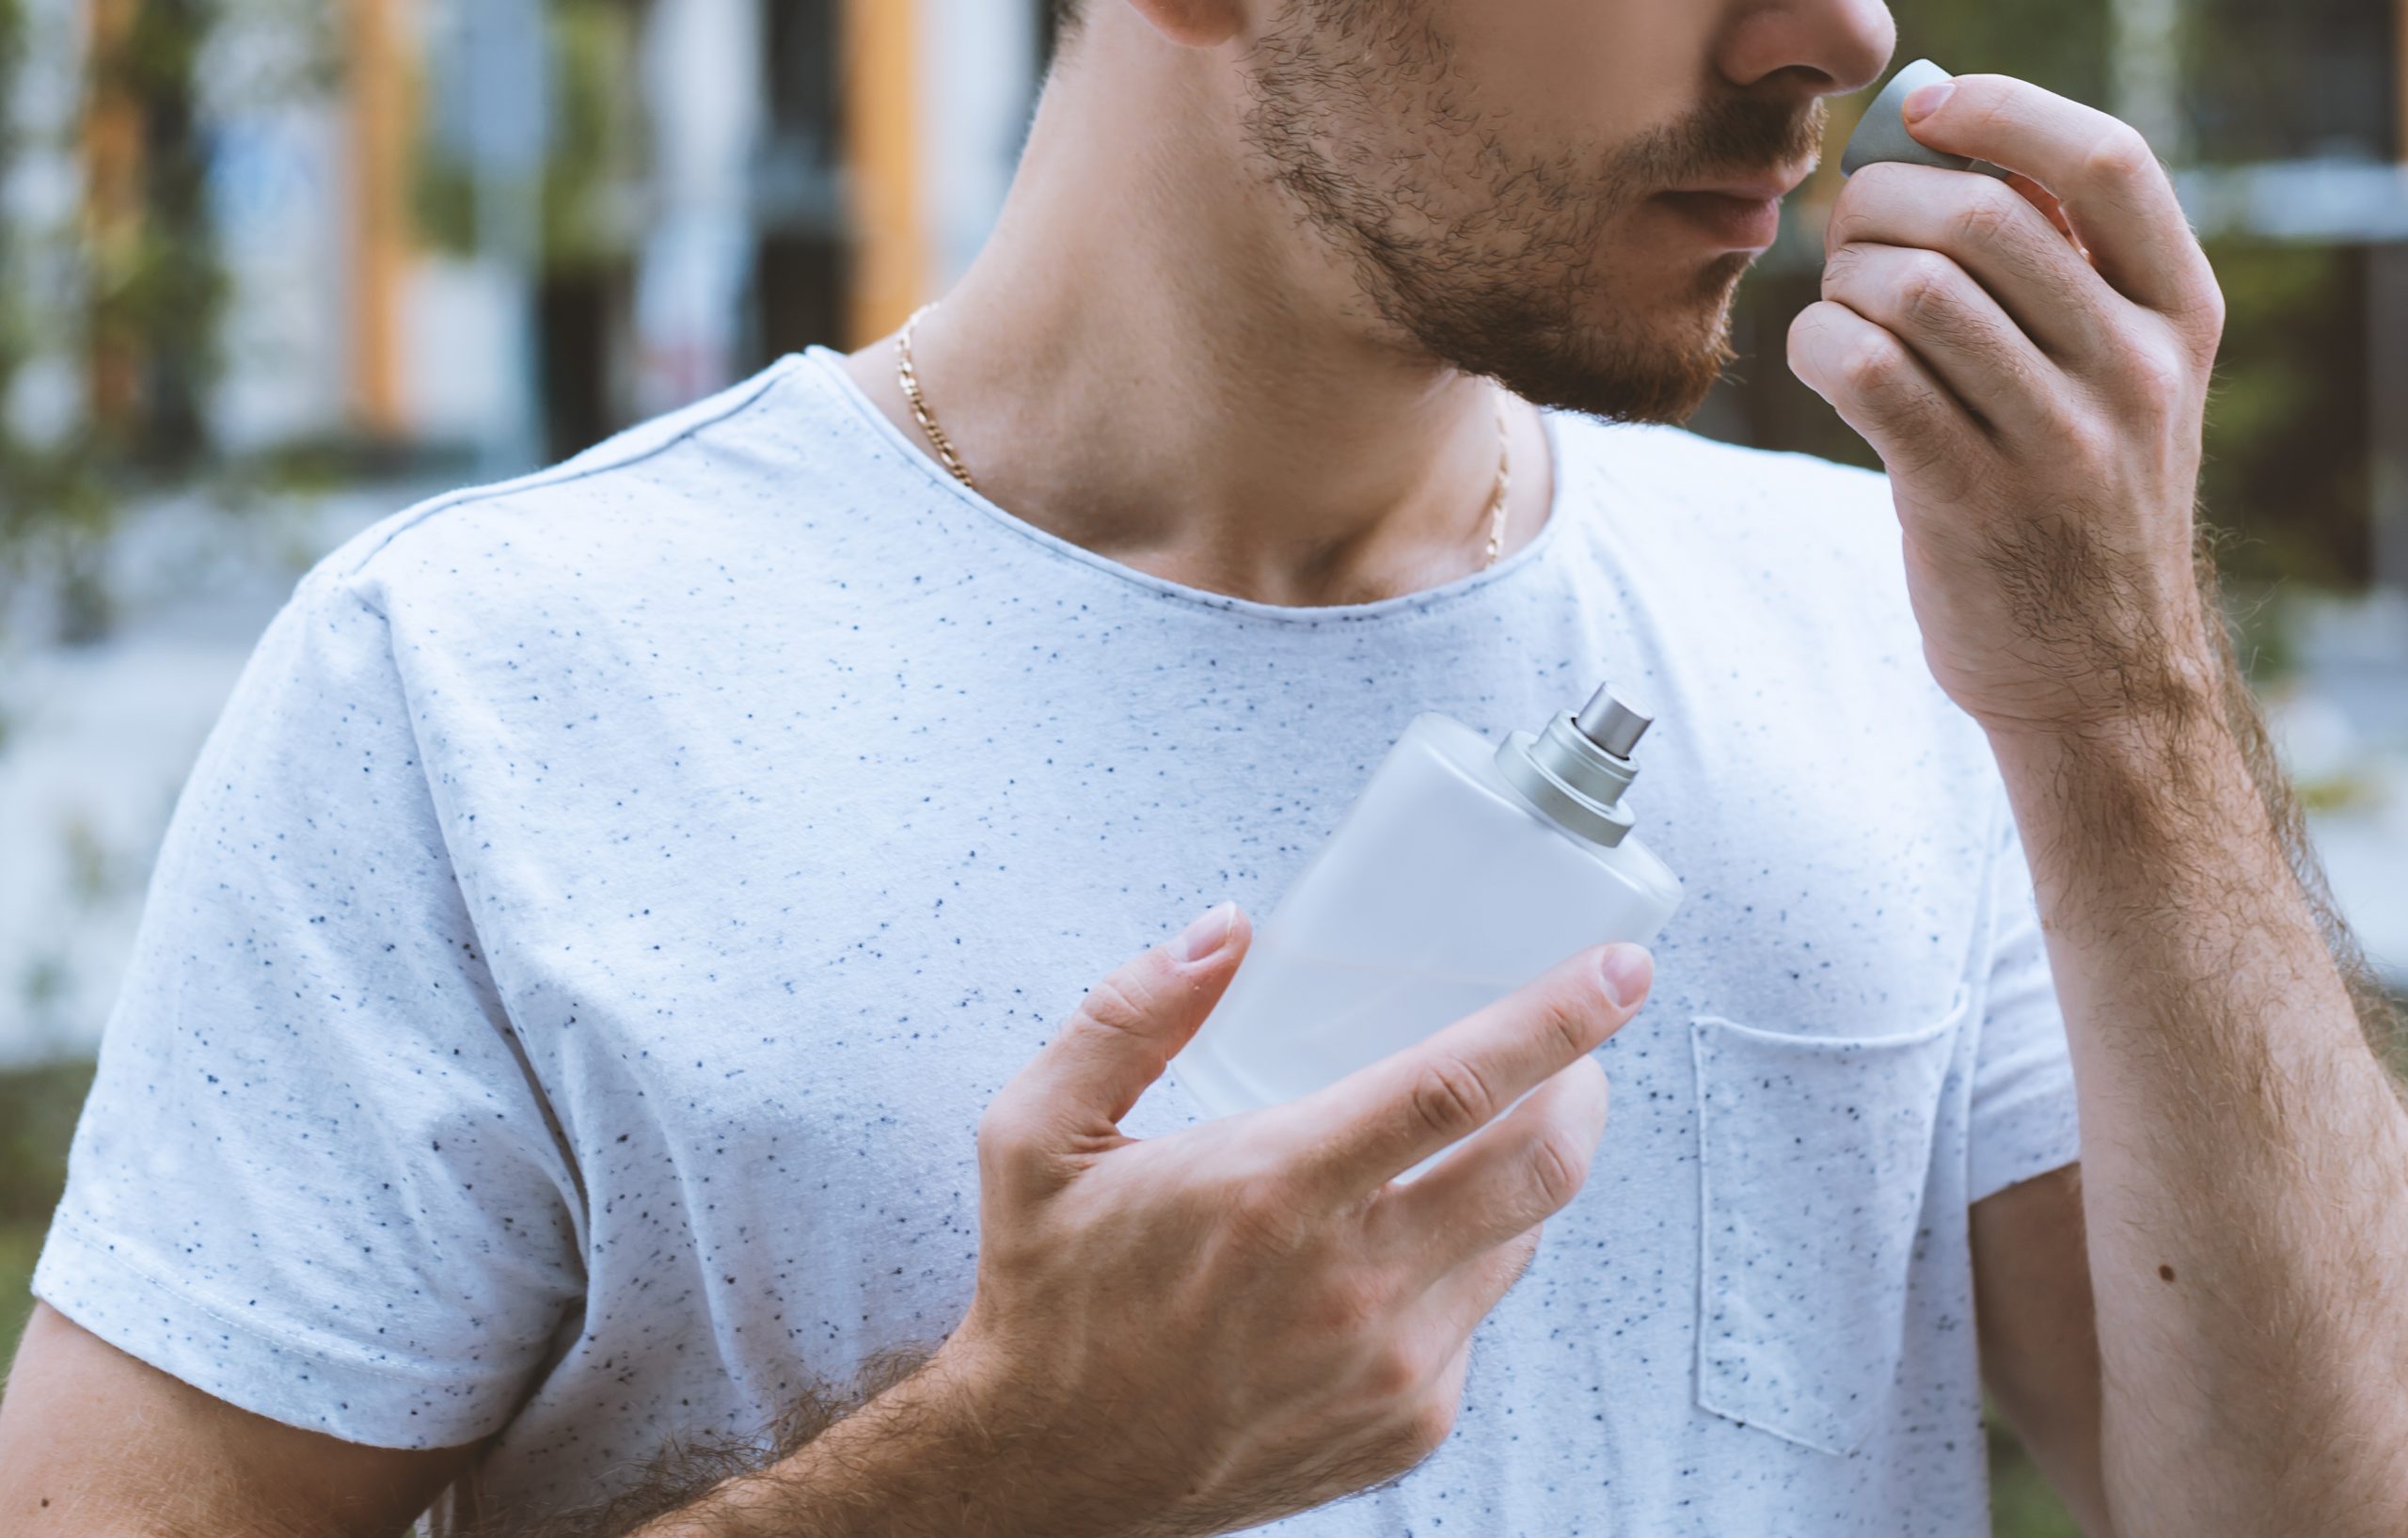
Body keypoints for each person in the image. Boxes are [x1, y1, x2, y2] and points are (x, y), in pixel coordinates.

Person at [6, 1, 2404, 1533]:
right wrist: (998, 1480)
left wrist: (2121, 705)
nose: (1831, 28)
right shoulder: (476, 688)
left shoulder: (1914, 639)